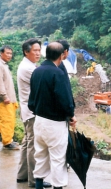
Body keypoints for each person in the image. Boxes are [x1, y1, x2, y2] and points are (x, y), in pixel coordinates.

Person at [28, 42, 77, 189]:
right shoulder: (58, 74)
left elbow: (31, 100)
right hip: (55, 124)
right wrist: (71, 115)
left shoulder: (37, 71)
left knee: (41, 156)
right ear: (62, 55)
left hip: (39, 121)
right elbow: (65, 100)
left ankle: (38, 185)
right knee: (58, 160)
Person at [16, 38, 51, 188]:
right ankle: (34, 179)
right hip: (31, 111)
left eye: (39, 50)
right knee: (33, 145)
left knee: (27, 142)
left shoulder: (28, 65)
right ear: (26, 51)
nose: (38, 53)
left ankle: (22, 175)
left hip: (27, 110)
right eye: (35, 50)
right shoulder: (28, 68)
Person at [0, 45, 19, 150]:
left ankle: (9, 140)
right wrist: (4, 97)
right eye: (7, 53)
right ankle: (7, 142)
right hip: (4, 100)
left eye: (11, 53)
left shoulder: (4, 65)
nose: (9, 55)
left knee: (10, 120)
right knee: (6, 120)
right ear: (1, 53)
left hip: (9, 98)